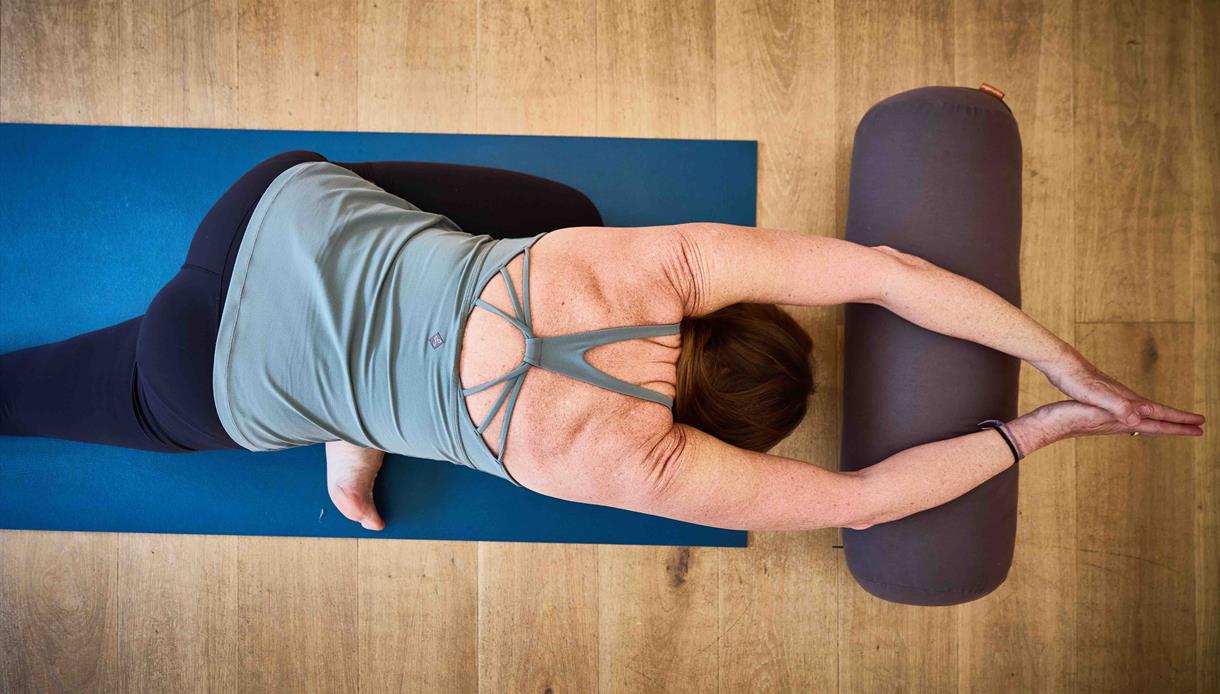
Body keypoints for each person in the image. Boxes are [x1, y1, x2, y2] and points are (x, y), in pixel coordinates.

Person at [0, 151, 1204, 533]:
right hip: (203, 370)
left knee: (559, 218)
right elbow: (862, 501)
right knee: (32, 397)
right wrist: (1038, 431)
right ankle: (346, 427)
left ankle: (345, 428)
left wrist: (1063, 359)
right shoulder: (638, 465)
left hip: (269, 202)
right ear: (708, 428)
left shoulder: (660, 264)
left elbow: (885, 278)